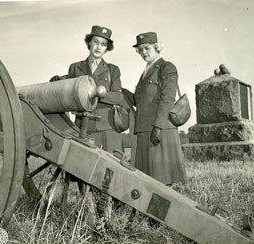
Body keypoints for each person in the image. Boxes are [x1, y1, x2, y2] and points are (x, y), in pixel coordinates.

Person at [123, 32, 187, 185]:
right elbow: (141, 102)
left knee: (162, 181)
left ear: (157, 47)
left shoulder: (166, 67)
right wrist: (122, 91)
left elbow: (167, 99)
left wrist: (157, 127)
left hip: (160, 130)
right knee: (149, 181)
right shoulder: (147, 70)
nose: (143, 52)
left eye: (147, 48)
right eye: (140, 50)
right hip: (146, 130)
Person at [51, 25, 123, 153]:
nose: (99, 47)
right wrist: (58, 83)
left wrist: (95, 93)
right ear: (89, 42)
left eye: (103, 44)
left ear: (107, 48)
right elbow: (69, 90)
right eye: (96, 42)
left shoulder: (113, 70)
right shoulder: (75, 68)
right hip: (81, 126)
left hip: (106, 127)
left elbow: (118, 97)